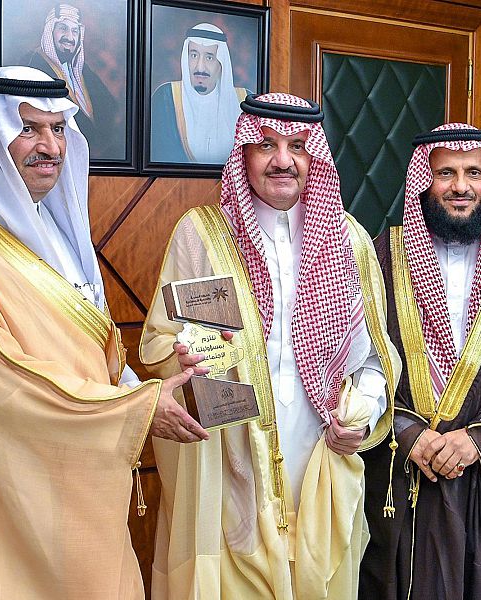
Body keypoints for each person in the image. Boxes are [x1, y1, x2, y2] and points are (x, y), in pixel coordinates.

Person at [0, 66, 208, 599]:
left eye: (58, 129)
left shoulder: (54, 226)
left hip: (79, 474)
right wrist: (132, 410)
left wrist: (142, 391)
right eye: (29, 129)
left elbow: (92, 347)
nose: (51, 147)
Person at [140, 92, 401, 599]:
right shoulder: (201, 235)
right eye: (266, 145)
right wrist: (181, 358)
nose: (283, 160)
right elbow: (156, 345)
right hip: (229, 469)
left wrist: (364, 415)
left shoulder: (349, 240)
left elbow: (374, 358)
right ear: (244, 154)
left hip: (320, 466)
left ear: (314, 155)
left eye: (297, 146)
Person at [358, 123, 481, 599]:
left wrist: (476, 440)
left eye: (474, 172)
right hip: (408, 466)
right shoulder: (383, 257)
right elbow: (356, 356)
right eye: (446, 172)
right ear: (423, 180)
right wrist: (408, 432)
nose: (460, 186)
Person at [25, 3, 123, 160]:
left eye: (75, 31)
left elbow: (110, 106)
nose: (70, 37)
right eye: (63, 28)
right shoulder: (33, 64)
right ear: (50, 31)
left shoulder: (82, 68)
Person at [150, 23, 249, 164]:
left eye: (209, 57)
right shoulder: (166, 97)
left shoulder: (244, 101)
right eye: (194, 55)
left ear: (221, 63)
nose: (200, 67)